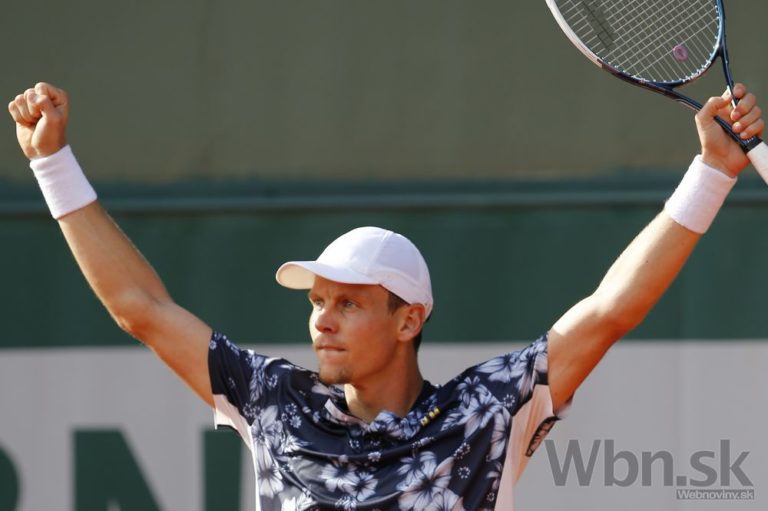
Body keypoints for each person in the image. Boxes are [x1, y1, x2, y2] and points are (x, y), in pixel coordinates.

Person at [7, 81, 764, 510]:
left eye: (348, 303)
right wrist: (53, 165)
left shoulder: (487, 412)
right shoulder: (273, 402)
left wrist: (711, 172)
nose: (322, 321)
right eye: (317, 302)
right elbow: (140, 309)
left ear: (408, 321)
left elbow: (610, 310)